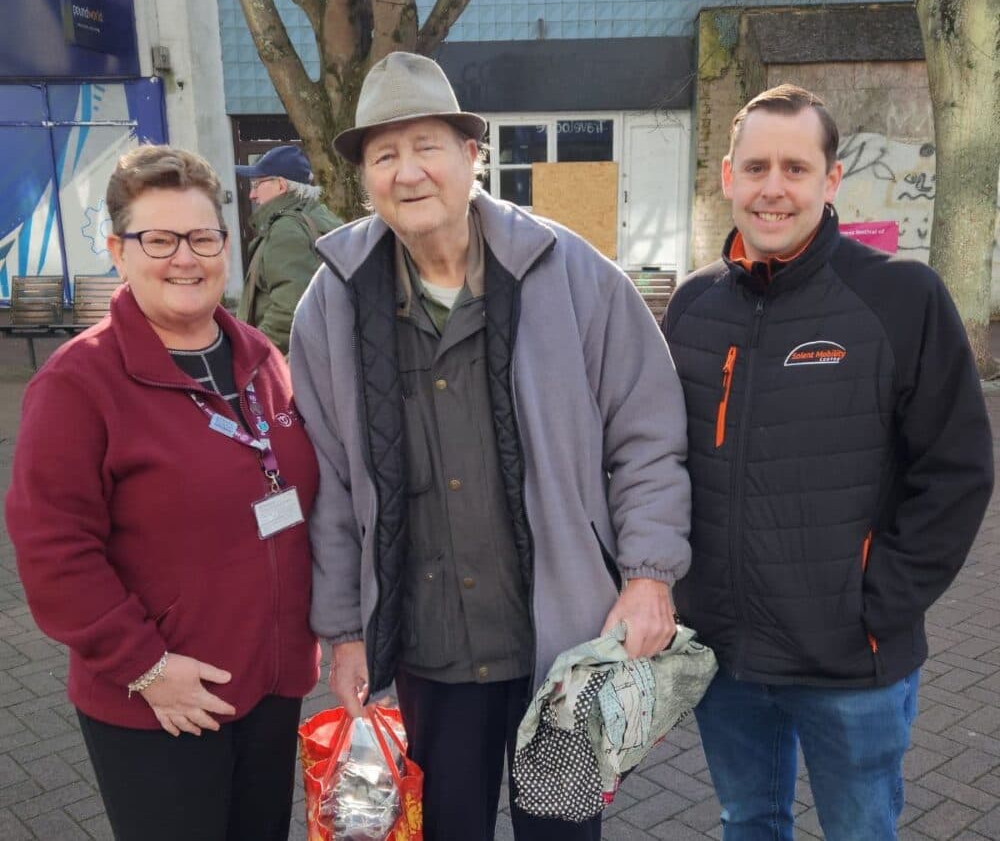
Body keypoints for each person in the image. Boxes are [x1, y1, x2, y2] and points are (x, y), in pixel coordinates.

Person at [290, 51, 692, 841]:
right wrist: (344, 633)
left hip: (566, 649)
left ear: (472, 154)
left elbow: (647, 434)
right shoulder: (332, 302)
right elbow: (330, 484)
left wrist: (649, 574)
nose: (408, 172)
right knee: (447, 831)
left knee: (562, 832)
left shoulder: (571, 273)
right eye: (384, 155)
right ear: (365, 177)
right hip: (429, 653)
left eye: (427, 146)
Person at [661, 84, 994, 840]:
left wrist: (878, 607)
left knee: (859, 831)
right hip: (726, 655)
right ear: (728, 177)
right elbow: (664, 457)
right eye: (756, 168)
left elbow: (957, 471)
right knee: (748, 821)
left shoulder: (902, 297)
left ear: (831, 179)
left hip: (850, 660)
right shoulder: (692, 306)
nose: (772, 188)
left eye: (795, 168)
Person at [5, 145, 321, 841]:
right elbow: (54, 551)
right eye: (159, 239)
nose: (185, 258)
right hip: (161, 699)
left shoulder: (260, 358)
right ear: (119, 251)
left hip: (271, 683)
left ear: (226, 246)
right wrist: (145, 668)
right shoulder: (78, 383)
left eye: (202, 237)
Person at [235, 144, 341, 354]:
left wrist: (251, 352)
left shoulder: (286, 229)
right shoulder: (320, 216)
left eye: (257, 185)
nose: (252, 195)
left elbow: (289, 311)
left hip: (290, 360)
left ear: (281, 186)